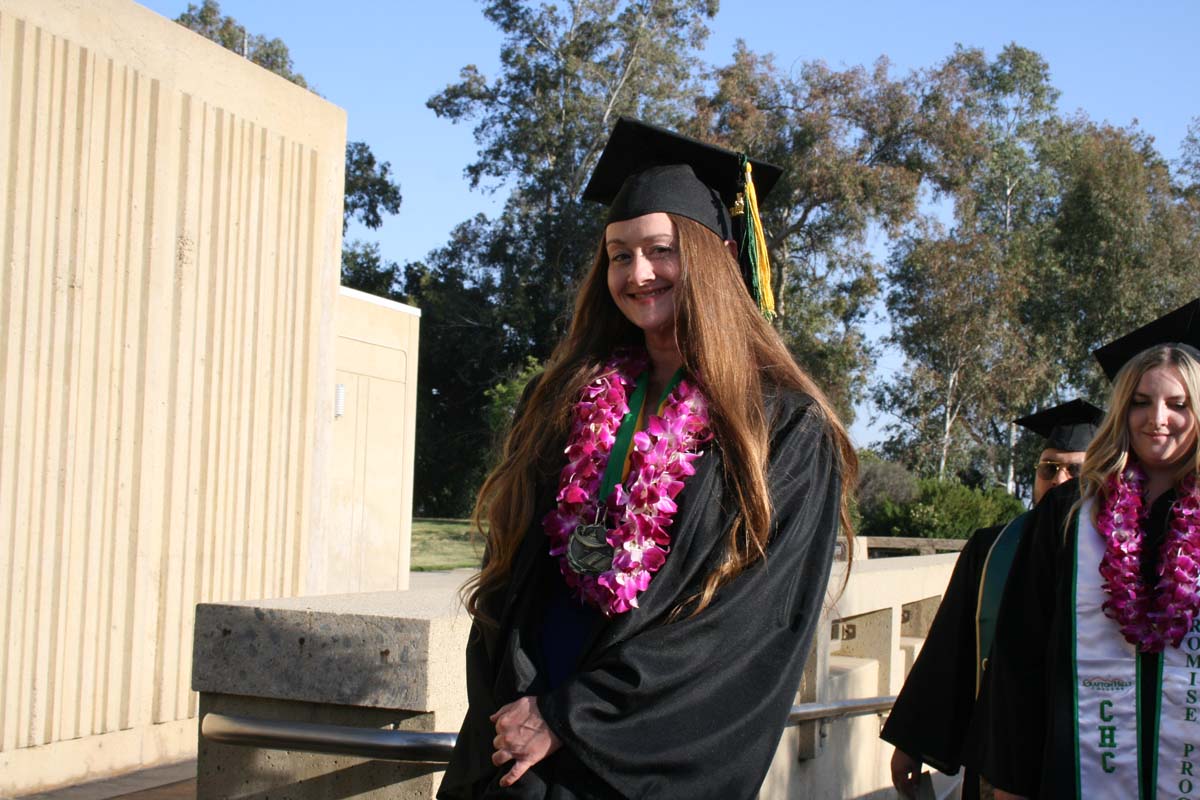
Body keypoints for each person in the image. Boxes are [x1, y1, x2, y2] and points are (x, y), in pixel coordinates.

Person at [436, 118, 857, 800]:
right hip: (520, 748)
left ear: (715, 255)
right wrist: (519, 705)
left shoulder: (778, 428)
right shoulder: (566, 397)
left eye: (661, 250)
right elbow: (513, 575)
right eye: (617, 254)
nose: (637, 274)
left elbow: (748, 625)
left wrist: (574, 717)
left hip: (637, 763)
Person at [974, 298, 1200, 799]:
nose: (1156, 419)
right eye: (1140, 401)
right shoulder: (1071, 515)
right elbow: (1021, 655)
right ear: (1123, 408)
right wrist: (1010, 783)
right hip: (1072, 769)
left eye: (1177, 404)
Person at [883, 399, 1103, 799]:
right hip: (997, 752)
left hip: (1088, 750)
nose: (1059, 480)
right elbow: (952, 647)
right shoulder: (992, 547)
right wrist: (912, 742)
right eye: (1049, 468)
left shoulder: (1114, 550)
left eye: (1076, 469)